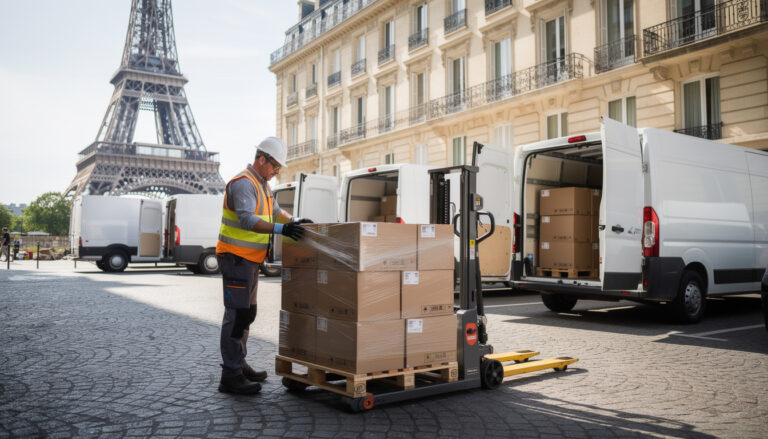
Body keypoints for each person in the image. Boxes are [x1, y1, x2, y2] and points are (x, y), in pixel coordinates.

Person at [215, 136, 313, 395]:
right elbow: (247, 220)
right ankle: (230, 375)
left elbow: (277, 210)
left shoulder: (262, 185)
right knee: (236, 316)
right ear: (262, 159)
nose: (277, 171)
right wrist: (284, 229)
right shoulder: (243, 184)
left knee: (247, 314)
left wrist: (297, 220)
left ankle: (240, 362)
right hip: (236, 258)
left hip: (250, 260)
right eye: (275, 166)